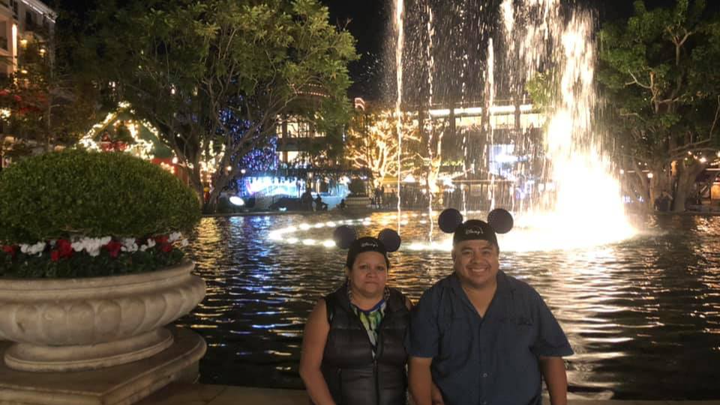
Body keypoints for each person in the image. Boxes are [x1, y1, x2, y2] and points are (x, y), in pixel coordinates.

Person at [406, 209, 573, 405]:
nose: (477, 260)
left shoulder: (525, 297)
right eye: (467, 252)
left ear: (497, 255)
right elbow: (419, 363)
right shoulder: (434, 301)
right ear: (454, 256)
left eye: (486, 252)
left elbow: (551, 357)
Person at [300, 231, 412, 405]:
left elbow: (418, 361)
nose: (372, 274)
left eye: (379, 268)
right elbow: (309, 370)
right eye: (363, 267)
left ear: (387, 272)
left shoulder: (402, 306)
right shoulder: (327, 309)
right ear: (348, 272)